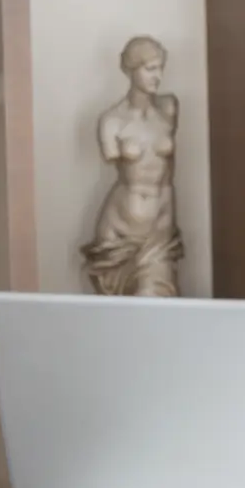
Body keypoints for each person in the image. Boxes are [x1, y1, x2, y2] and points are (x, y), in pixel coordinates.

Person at [80, 35, 184, 297]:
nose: (157, 76)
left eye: (160, 68)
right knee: (125, 317)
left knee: (155, 305)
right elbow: (112, 157)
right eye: (150, 69)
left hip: (160, 232)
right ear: (130, 69)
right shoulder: (112, 121)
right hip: (120, 232)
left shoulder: (169, 108)